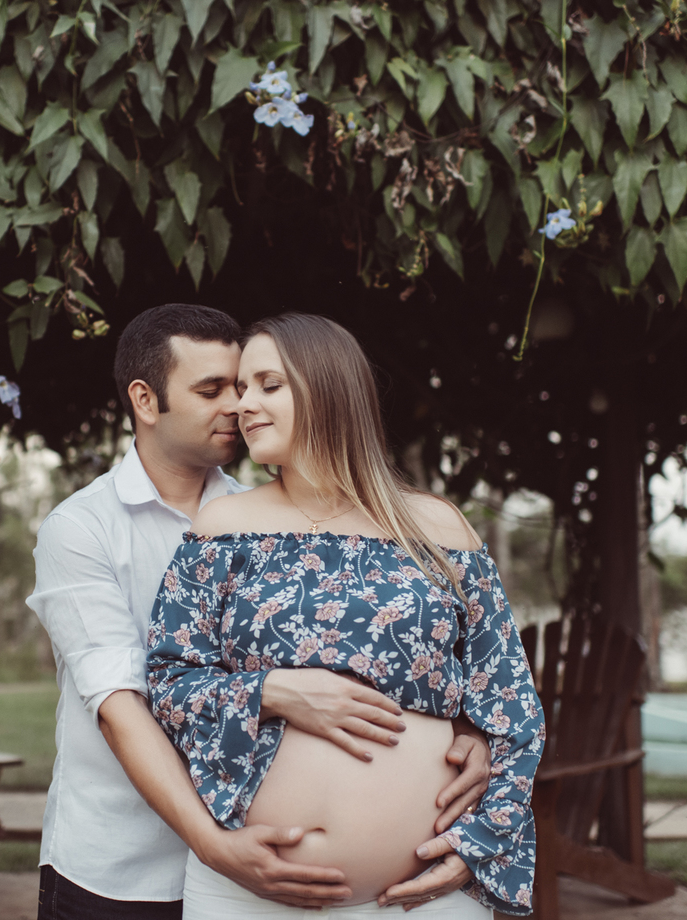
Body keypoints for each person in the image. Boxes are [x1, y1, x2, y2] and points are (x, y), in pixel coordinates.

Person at [27, 304, 494, 919]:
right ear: (145, 400)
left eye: (249, 386)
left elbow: (435, 662)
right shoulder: (81, 528)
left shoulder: (274, 519)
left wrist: (468, 734)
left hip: (269, 850)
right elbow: (121, 706)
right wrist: (215, 842)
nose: (238, 405)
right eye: (214, 389)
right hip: (128, 860)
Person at [146, 313, 545, 918]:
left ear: (328, 389)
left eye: (267, 385)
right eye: (239, 388)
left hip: (423, 896)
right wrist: (268, 691)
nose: (242, 405)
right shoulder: (222, 529)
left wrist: (482, 842)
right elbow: (169, 684)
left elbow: (511, 704)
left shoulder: (436, 529)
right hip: (251, 890)